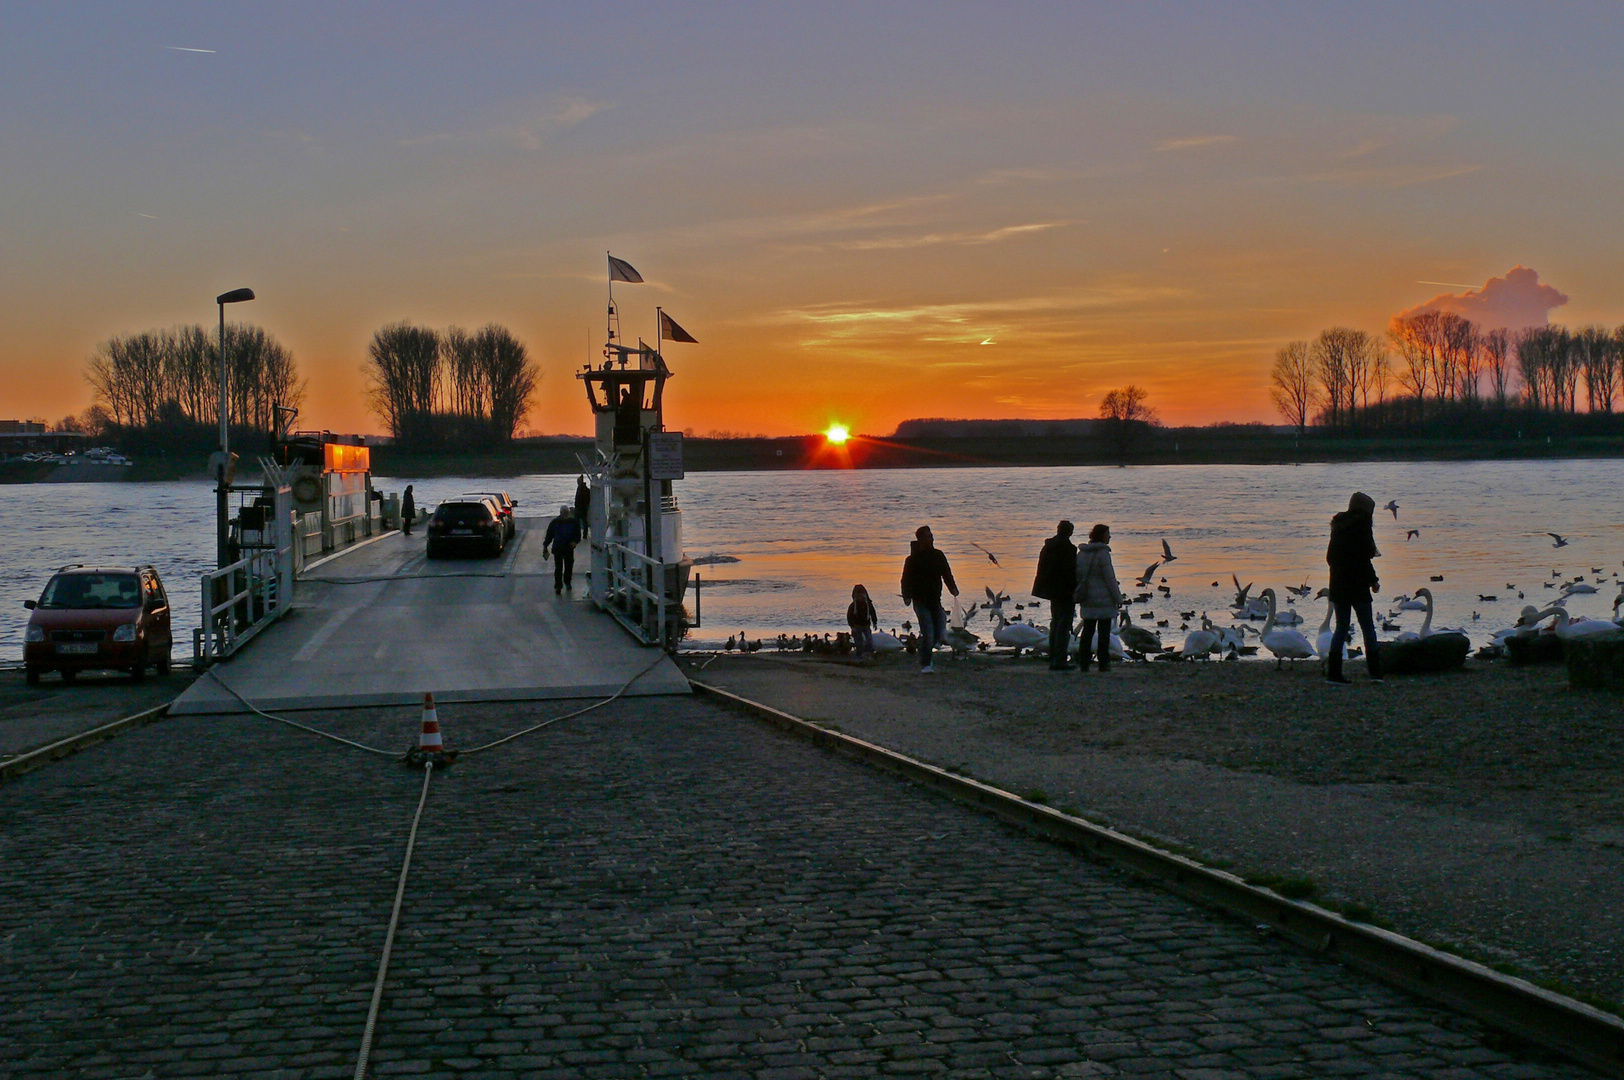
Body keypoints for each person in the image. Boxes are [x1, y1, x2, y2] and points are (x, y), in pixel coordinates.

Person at [1326, 491, 1384, 684]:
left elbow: (1330, 558)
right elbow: (1364, 558)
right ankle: (1375, 673)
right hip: (1358, 585)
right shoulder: (1362, 526)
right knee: (1368, 628)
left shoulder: (1338, 526)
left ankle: (1333, 674)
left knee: (1341, 628)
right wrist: (1373, 580)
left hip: (1338, 585)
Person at [900, 526, 959, 673]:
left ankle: (923, 653)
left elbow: (946, 573)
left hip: (935, 601)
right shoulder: (912, 559)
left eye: (931, 536)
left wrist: (953, 588)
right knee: (928, 632)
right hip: (920, 601)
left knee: (939, 632)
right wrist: (906, 595)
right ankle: (926, 664)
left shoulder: (938, 555)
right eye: (928, 537)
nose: (931, 539)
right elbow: (905, 579)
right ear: (920, 540)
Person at [1073, 523, 1123, 672]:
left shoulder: (1082, 553)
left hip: (1088, 598)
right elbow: (1110, 579)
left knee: (1087, 631)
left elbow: (1078, 575)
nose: (1110, 537)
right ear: (1102, 536)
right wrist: (1118, 598)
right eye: (1108, 534)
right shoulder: (1103, 554)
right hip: (1104, 600)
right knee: (1103, 633)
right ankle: (1103, 663)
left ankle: (1084, 663)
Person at [1032, 520, 1078, 671]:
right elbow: (1070, 572)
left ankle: (1054, 656)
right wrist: (1075, 590)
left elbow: (1042, 569)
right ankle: (1059, 660)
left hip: (1051, 590)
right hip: (1064, 590)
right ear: (1069, 532)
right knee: (1063, 624)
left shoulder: (1048, 546)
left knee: (1056, 622)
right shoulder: (1067, 549)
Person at [542, 505, 583, 595]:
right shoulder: (555, 522)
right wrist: (545, 545)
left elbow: (578, 535)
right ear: (561, 513)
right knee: (559, 568)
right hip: (558, 548)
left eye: (566, 513)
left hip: (568, 548)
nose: (565, 515)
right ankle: (558, 586)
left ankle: (566, 582)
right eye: (564, 513)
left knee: (568, 567)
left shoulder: (572, 522)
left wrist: (575, 542)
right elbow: (549, 535)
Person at [847, 584, 879, 658]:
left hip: (866, 625)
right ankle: (859, 654)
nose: (859, 597)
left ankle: (868, 653)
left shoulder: (868, 604)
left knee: (869, 640)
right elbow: (849, 616)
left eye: (861, 595)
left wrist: (875, 622)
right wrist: (852, 626)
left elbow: (873, 613)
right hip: (856, 626)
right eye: (858, 596)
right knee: (858, 642)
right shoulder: (853, 606)